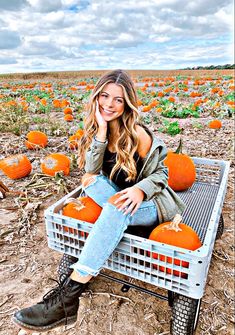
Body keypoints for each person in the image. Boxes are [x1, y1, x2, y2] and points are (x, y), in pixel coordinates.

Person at [12, 69, 186, 332]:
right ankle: (118, 225)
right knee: (91, 182)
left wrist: (140, 190)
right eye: (105, 96)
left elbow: (163, 173)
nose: (109, 104)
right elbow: (92, 170)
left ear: (127, 103)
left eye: (118, 99)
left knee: (117, 207)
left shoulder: (138, 134)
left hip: (152, 203)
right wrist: (102, 132)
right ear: (96, 97)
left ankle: (68, 297)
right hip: (119, 199)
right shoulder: (97, 128)